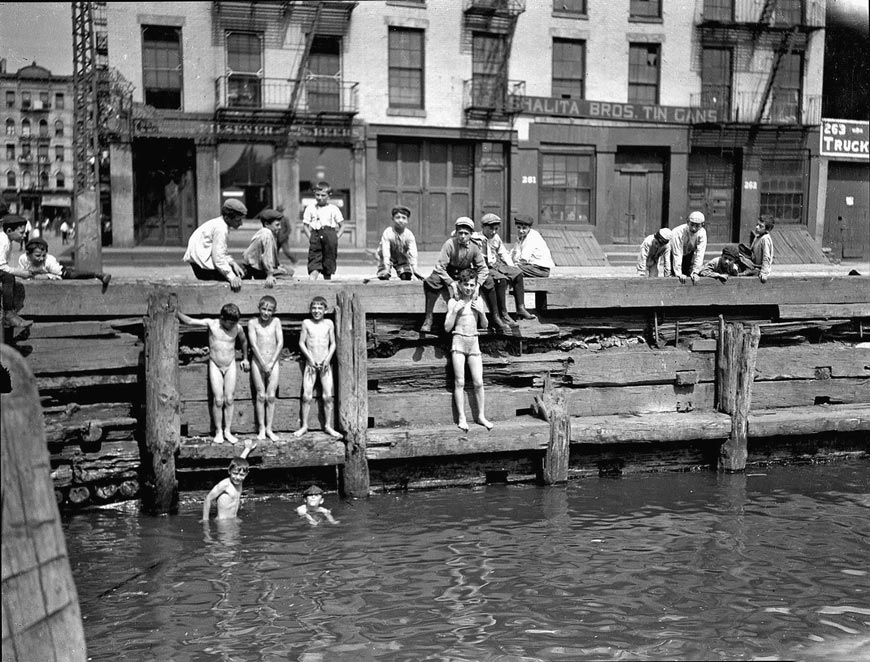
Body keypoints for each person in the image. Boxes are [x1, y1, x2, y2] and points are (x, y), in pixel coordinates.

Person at [176, 303, 250, 445]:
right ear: (222, 318)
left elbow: (244, 341)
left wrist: (245, 358)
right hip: (215, 364)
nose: (233, 325)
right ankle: (218, 431)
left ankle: (227, 430)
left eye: (235, 322)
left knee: (229, 399)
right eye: (230, 322)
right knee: (218, 400)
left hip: (230, 364)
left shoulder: (237, 328)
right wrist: (176, 311)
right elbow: (190, 321)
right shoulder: (212, 324)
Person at [420, 216, 489, 334]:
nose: (462, 236)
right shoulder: (449, 244)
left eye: (466, 233)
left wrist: (477, 285)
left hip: (463, 274)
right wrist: (452, 284)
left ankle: (499, 316)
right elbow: (440, 267)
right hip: (448, 272)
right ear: (456, 232)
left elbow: (483, 268)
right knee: (431, 280)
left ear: (471, 234)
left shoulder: (474, 247)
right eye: (460, 233)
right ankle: (428, 318)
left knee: (490, 281)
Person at [445, 268, 493, 432]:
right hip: (458, 341)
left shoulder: (478, 300)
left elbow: (485, 325)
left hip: (474, 342)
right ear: (460, 284)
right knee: (460, 382)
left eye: (472, 285)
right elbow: (446, 328)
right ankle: (462, 418)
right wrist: (454, 312)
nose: (469, 288)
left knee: (479, 382)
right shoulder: (453, 302)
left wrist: (482, 312)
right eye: (466, 285)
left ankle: (481, 416)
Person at [294, 296, 342, 439]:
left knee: (327, 396)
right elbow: (302, 343)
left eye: (320, 308)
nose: (316, 311)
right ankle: (304, 426)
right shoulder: (306, 323)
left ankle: (327, 426)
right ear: (310, 310)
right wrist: (310, 358)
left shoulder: (329, 323)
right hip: (311, 364)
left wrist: (327, 359)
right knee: (306, 396)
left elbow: (333, 343)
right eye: (314, 308)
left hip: (325, 364)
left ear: (325, 310)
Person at [478, 213, 536, 330]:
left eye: (496, 229)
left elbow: (503, 253)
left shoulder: (496, 238)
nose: (493, 232)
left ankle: (521, 307)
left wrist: (511, 268)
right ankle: (503, 314)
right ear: (483, 227)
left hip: (495, 264)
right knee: (501, 280)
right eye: (490, 229)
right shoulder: (477, 239)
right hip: (484, 267)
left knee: (518, 273)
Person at [183, 199, 248, 291]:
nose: (241, 223)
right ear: (227, 218)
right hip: (204, 269)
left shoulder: (218, 223)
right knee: (243, 273)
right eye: (238, 220)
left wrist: (232, 263)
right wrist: (232, 277)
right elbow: (218, 259)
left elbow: (221, 251)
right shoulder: (221, 229)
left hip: (200, 266)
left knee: (239, 269)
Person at [247, 295, 283, 441]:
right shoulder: (252, 323)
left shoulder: (276, 322)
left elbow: (280, 343)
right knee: (261, 395)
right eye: (264, 309)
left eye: (269, 310)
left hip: (273, 362)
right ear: (259, 308)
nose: (266, 313)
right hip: (258, 362)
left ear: (274, 311)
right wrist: (262, 363)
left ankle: (269, 428)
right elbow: (253, 345)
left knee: (271, 396)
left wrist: (272, 362)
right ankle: (261, 428)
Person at [19, 237, 112, 289]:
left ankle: (97, 275)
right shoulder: (23, 259)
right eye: (38, 256)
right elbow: (21, 275)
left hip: (58, 271)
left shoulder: (49, 261)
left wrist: (48, 276)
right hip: (36, 280)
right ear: (28, 254)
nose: (41, 259)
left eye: (43, 255)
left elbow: (60, 276)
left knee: (71, 274)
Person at [201, 438, 257, 521]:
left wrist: (247, 449)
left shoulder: (239, 482)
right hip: (223, 522)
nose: (237, 477)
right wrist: (205, 520)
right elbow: (208, 499)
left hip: (234, 519)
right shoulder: (225, 485)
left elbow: (241, 461)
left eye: (241, 475)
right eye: (235, 473)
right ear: (229, 471)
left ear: (246, 474)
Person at [302, 183, 343, 280]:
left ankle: (327, 285)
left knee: (328, 264)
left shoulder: (333, 209)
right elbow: (305, 226)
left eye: (323, 195)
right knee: (314, 263)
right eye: (317, 195)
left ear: (329, 195)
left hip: (330, 235)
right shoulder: (310, 208)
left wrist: (335, 237)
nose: (320, 198)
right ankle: (311, 285)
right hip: (316, 235)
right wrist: (311, 238)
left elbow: (342, 226)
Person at [242, 209, 290, 287]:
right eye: (277, 225)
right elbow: (266, 256)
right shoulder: (266, 234)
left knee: (289, 270)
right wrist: (270, 275)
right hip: (256, 268)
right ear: (267, 224)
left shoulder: (269, 232)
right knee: (287, 279)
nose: (280, 227)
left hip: (257, 266)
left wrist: (277, 266)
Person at [0, 214, 33, 330]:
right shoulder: (3, 241)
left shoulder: (7, 240)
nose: (24, 236)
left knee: (9, 277)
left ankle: (10, 313)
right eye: (21, 233)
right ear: (9, 231)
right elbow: (2, 267)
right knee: (8, 277)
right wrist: (20, 272)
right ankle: (8, 314)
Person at [376, 205, 423, 281]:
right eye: (398, 217)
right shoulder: (388, 232)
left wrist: (415, 271)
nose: (401, 220)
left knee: (406, 276)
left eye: (404, 218)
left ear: (407, 220)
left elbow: (413, 254)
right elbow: (386, 252)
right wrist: (387, 268)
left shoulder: (409, 235)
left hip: (401, 257)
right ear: (393, 219)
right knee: (384, 276)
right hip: (386, 257)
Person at [669, 211, 707, 284]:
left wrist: (695, 272)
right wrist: (679, 274)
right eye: (692, 224)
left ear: (702, 225)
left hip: (688, 254)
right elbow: (677, 254)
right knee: (676, 278)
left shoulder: (702, 233)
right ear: (687, 222)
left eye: (697, 226)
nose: (693, 228)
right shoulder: (678, 232)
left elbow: (700, 254)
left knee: (689, 278)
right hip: (673, 255)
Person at [747, 214, 775, 283]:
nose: (757, 227)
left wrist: (763, 273)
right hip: (754, 266)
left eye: (760, 226)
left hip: (761, 269)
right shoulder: (757, 236)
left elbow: (766, 257)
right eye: (757, 224)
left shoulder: (765, 239)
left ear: (767, 229)